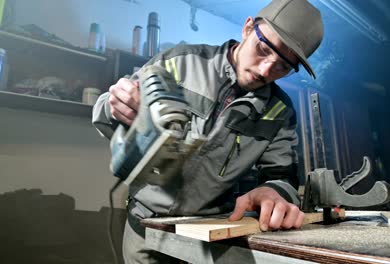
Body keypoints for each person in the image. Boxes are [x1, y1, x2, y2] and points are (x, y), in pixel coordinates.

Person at [92, 0, 324, 263]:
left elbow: (283, 176)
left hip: (211, 234)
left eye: (283, 66)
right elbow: (107, 108)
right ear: (248, 28)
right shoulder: (181, 61)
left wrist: (275, 192)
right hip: (144, 224)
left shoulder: (279, 111)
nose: (265, 70)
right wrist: (117, 106)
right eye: (263, 49)